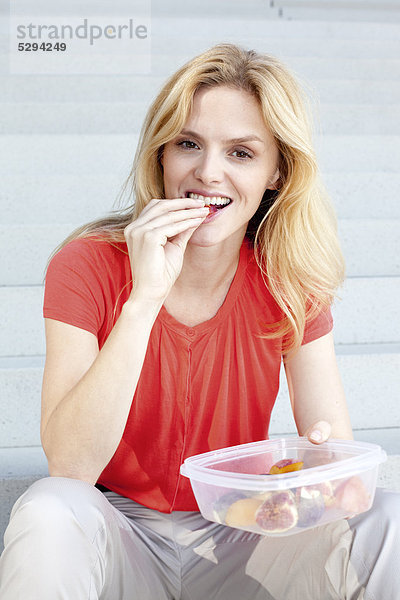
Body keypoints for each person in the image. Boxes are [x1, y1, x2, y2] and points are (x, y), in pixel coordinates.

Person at [0, 43, 398, 600]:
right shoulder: (87, 263)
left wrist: (314, 462)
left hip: (245, 530)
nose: (208, 173)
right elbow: (69, 465)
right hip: (121, 535)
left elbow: (340, 471)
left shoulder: (288, 278)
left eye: (241, 153)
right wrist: (144, 299)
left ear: (276, 173)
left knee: (388, 516)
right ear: (161, 155)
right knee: (46, 509)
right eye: (188, 144)